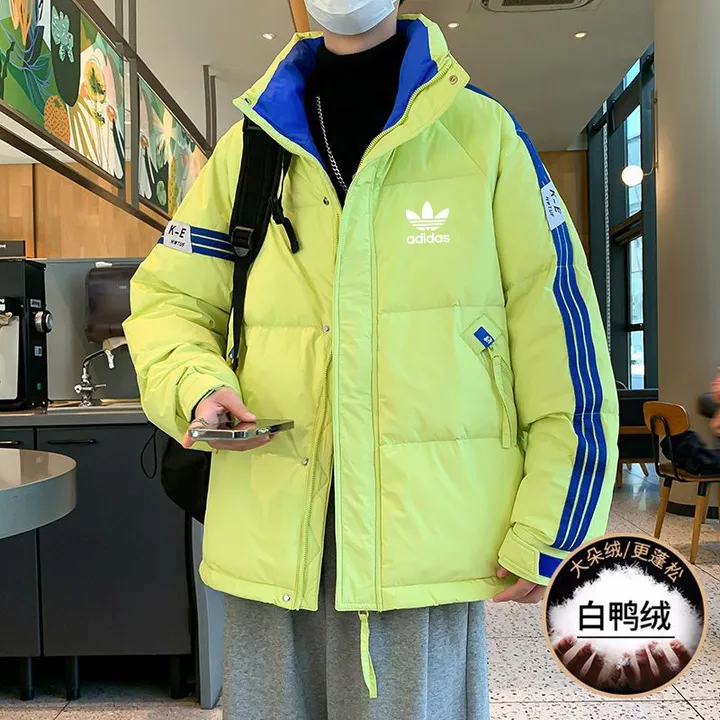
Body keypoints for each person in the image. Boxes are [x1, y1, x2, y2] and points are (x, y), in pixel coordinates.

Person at [124, 2, 619, 718]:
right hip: (271, 536)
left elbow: (562, 342)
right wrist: (197, 386)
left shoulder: (483, 137)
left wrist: (554, 522)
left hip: (425, 544)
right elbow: (168, 303)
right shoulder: (249, 148)